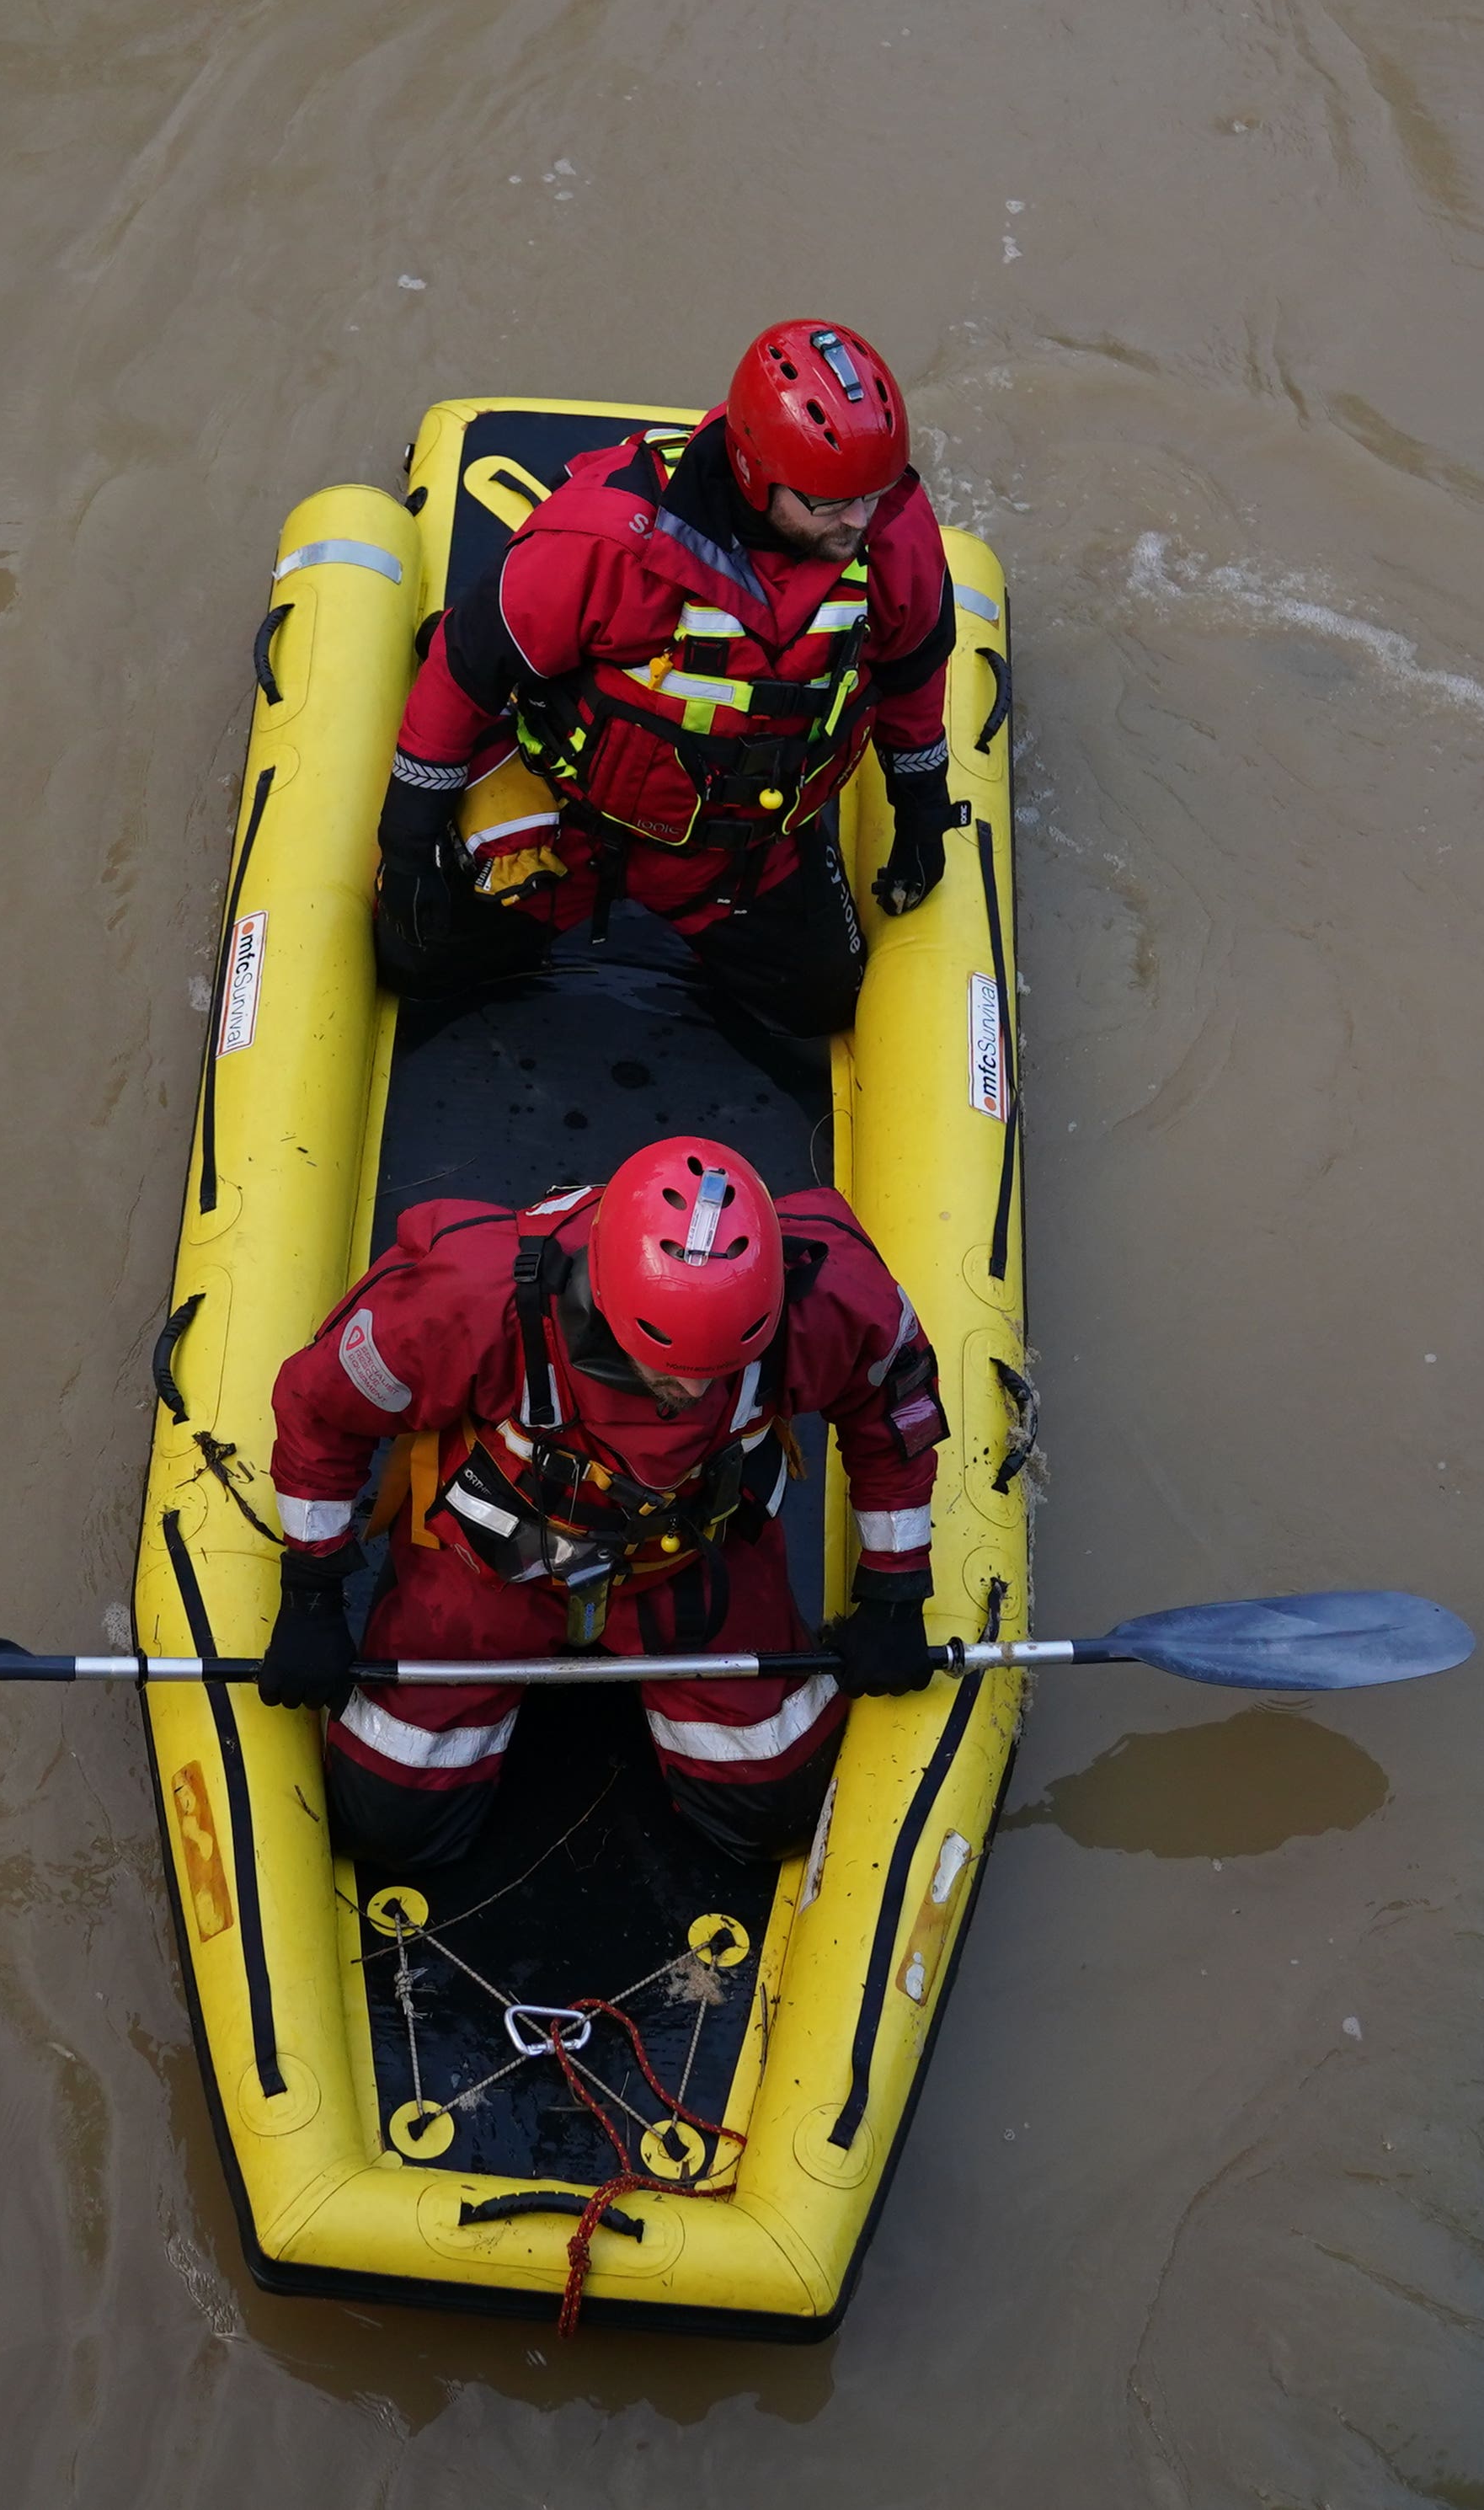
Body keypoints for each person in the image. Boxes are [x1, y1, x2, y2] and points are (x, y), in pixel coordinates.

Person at [249, 1135, 953, 1871]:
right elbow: (319, 1410)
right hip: (490, 1568)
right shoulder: (467, 1302)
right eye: (673, 1374)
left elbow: (894, 1418)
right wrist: (312, 1597)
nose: (695, 1394)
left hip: (690, 1566)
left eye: (719, 1373)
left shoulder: (832, 1296)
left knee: (773, 1807)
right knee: (388, 1821)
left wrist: (893, 1594)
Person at [375, 320, 965, 1037]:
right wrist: (409, 844)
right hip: (570, 822)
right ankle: (491, 771)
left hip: (737, 857)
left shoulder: (892, 535)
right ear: (756, 473)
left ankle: (808, 841)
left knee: (822, 1004)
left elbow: (910, 683)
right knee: (414, 961)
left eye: (872, 494)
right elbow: (462, 674)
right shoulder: (602, 541)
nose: (860, 519)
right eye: (833, 502)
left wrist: (922, 811)